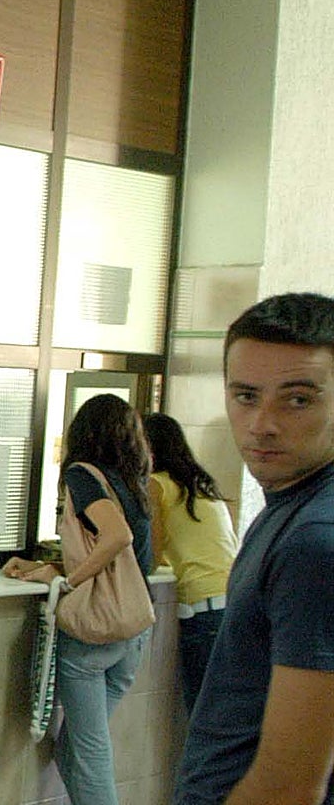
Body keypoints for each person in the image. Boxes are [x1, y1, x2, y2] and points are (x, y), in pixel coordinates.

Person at [174, 292, 334, 805]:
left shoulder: (315, 539)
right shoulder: (290, 508)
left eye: (298, 399)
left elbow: (288, 789)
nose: (262, 423)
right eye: (245, 395)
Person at [3, 394, 154, 805]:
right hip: (133, 633)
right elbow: (129, 555)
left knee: (87, 751)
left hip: (94, 636)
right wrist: (47, 569)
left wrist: (70, 580)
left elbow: (115, 536)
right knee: (72, 751)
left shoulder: (83, 475)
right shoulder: (134, 482)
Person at [142, 411, 237, 711]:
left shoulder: (157, 484)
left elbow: (151, 556)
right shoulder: (200, 483)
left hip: (205, 611)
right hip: (233, 602)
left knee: (203, 714)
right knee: (222, 713)